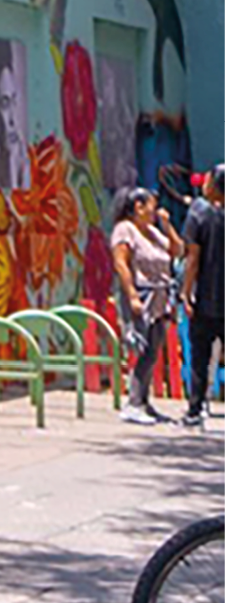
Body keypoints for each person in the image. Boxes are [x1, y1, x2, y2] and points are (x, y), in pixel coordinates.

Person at [110, 186, 182, 425]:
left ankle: (143, 401)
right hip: (141, 296)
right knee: (142, 349)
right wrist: (131, 295)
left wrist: (167, 226)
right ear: (138, 207)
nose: (155, 209)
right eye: (151, 204)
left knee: (154, 349)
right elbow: (121, 263)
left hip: (160, 298)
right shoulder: (125, 230)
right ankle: (133, 403)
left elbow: (177, 250)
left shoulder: (151, 231)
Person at [182, 163, 225, 428]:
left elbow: (193, 258)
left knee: (200, 356)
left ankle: (195, 409)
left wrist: (186, 292)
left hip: (207, 299)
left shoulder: (198, 212)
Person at [0, 37, 28, 193]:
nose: (12, 119)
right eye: (4, 104)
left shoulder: (27, 166)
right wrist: (11, 165)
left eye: (14, 101)